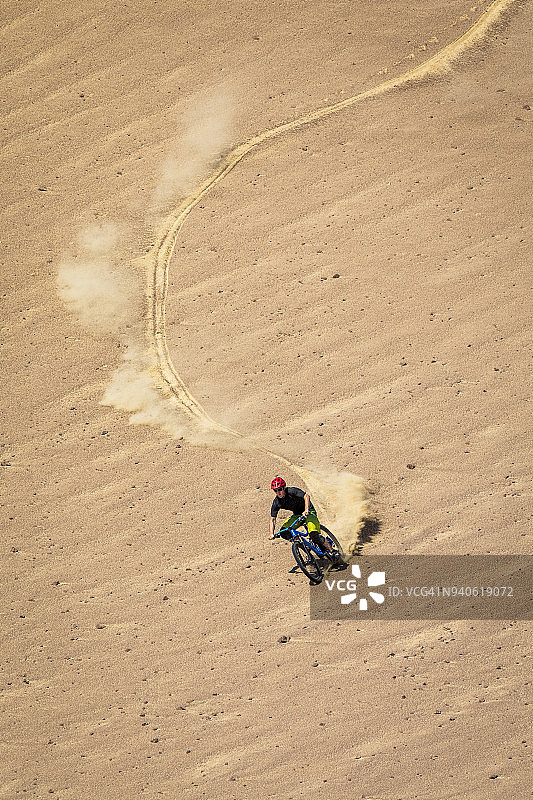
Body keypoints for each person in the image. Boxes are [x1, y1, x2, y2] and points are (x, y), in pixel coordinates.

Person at [268, 476, 332, 552]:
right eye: (275, 490)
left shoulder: (292, 491)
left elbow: (306, 496)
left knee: (314, 534)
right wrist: (271, 533)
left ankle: (332, 550)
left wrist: (306, 510)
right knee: (284, 532)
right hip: (297, 515)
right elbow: (272, 519)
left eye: (280, 489)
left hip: (309, 512)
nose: (278, 492)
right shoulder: (277, 502)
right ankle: (301, 545)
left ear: (284, 488)